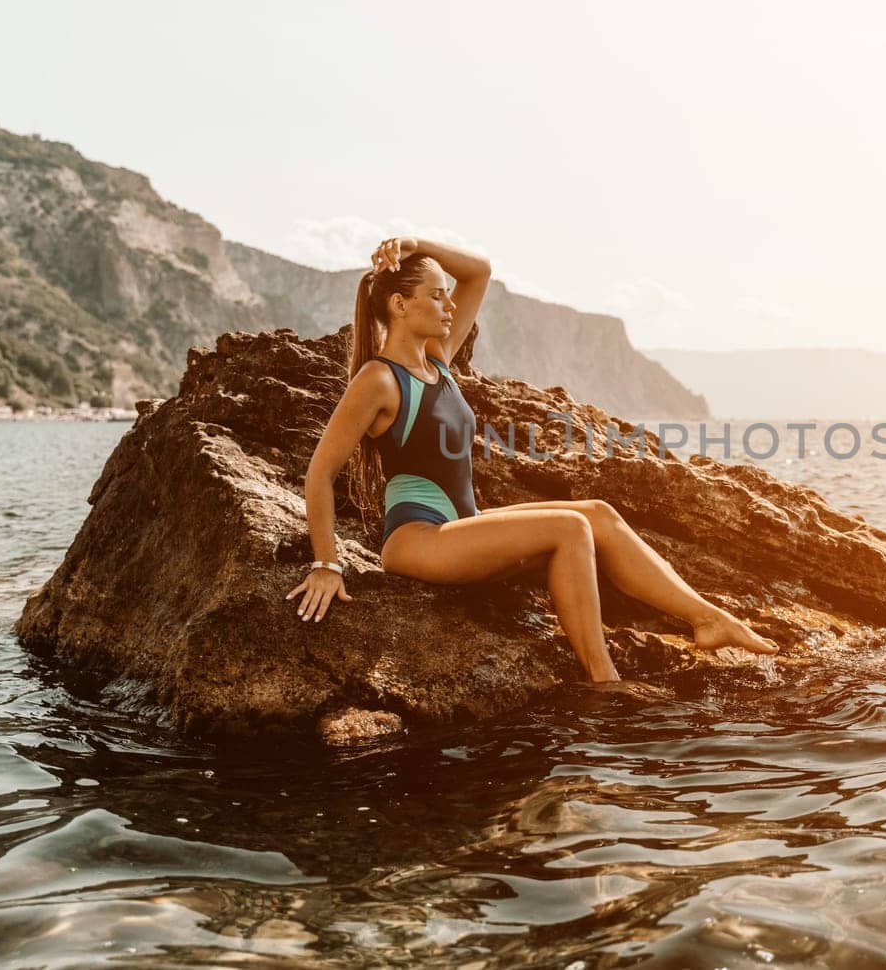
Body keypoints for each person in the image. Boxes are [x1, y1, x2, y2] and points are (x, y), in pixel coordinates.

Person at [286, 236, 779, 683]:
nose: (449, 302)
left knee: (598, 515)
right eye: (436, 295)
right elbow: (321, 473)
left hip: (461, 526)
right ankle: (603, 680)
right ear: (398, 305)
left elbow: (479, 271)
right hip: (416, 540)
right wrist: (327, 563)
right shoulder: (379, 379)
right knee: (569, 528)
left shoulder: (438, 361)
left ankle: (708, 619)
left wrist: (415, 241)